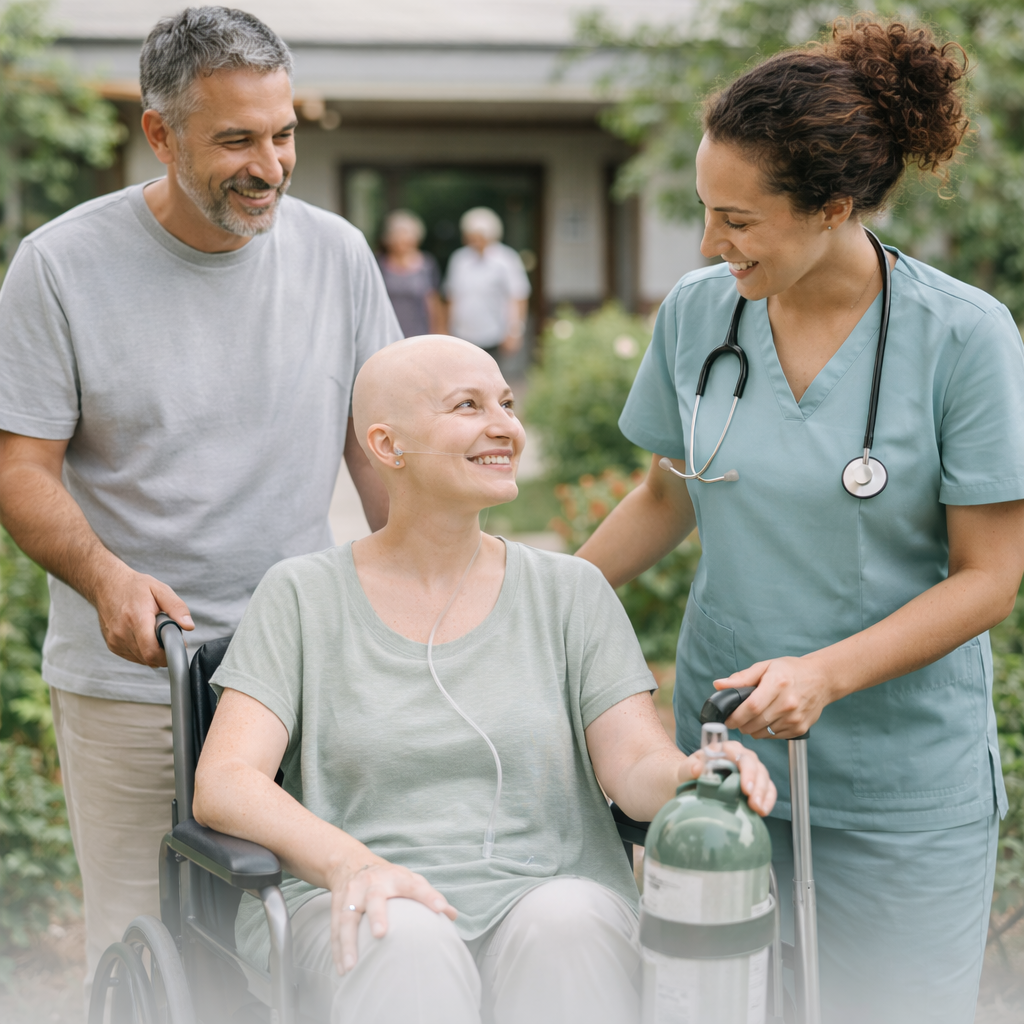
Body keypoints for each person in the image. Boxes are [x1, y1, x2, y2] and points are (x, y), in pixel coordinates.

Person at [577, 18, 1024, 1024]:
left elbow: (989, 577)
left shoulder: (962, 337)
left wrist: (824, 673)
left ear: (830, 208)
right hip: (726, 770)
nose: (708, 243)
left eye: (736, 220)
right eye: (704, 212)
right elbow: (666, 493)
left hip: (898, 789)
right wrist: (534, 594)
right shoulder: (701, 314)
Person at [192, 335, 777, 1024]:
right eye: (467, 406)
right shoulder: (301, 595)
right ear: (387, 445)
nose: (505, 425)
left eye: (505, 402)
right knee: (402, 933)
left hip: (548, 889)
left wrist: (690, 775)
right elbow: (226, 781)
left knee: (569, 923)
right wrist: (349, 863)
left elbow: (634, 766)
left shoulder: (572, 592)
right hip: (358, 896)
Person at [0, 6, 401, 989]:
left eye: (283, 134)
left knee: (308, 930)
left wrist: (424, 590)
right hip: (136, 679)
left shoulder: (338, 255)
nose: (268, 165)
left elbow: (385, 449)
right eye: (235, 141)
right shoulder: (59, 265)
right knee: (144, 948)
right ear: (160, 134)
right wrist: (104, 577)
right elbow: (20, 467)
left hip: (304, 667)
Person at [443, 207, 531, 364]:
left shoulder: (506, 259)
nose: (474, 241)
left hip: (494, 334)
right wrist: (446, 328)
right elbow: (451, 295)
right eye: (471, 236)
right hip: (462, 335)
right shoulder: (459, 259)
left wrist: (515, 332)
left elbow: (519, 296)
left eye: (479, 236)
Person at [376, 208, 445, 337]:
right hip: (388, 332)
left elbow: (433, 301)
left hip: (419, 333)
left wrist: (438, 332)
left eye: (406, 233)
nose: (402, 239)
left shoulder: (427, 264)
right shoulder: (380, 264)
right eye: (397, 234)